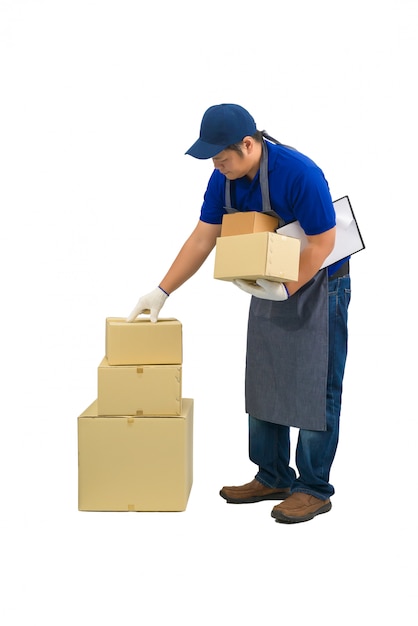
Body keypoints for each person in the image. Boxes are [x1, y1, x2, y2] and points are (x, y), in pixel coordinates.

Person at [127, 103, 351, 524]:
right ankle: (272, 476)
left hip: (320, 279)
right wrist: (161, 291)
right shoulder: (223, 179)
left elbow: (322, 243)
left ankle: (313, 488)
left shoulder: (298, 172)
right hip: (269, 277)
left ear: (249, 144)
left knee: (315, 381)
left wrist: (287, 287)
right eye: (212, 158)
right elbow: (202, 237)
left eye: (222, 156)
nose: (217, 164)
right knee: (265, 373)